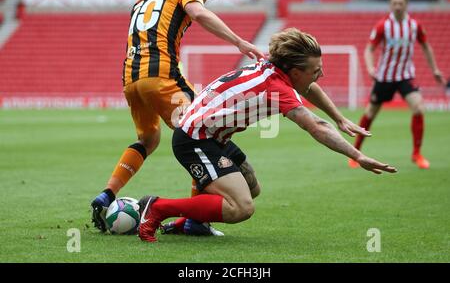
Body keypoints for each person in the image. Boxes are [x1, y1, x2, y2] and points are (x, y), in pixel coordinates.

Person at [137, 28, 397, 243]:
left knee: (252, 186)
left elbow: (310, 87)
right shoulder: (276, 86)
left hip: (214, 136)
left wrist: (339, 118)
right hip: (195, 140)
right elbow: (315, 126)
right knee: (241, 207)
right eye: (316, 70)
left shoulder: (273, 68)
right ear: (295, 73)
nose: (321, 74)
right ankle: (158, 208)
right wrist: (357, 155)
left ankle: (191, 224)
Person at [91, 0, 265, 235]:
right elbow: (199, 14)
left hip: (132, 79)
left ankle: (107, 194)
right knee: (200, 134)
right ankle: (196, 221)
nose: (201, 2)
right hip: (161, 76)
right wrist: (239, 42)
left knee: (148, 140)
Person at [349, 0, 446, 170]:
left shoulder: (414, 26)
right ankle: (356, 152)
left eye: (401, 3)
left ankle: (417, 153)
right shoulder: (383, 25)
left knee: (418, 108)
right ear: (390, 5)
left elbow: (426, 46)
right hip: (384, 77)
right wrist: (370, 67)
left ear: (406, 4)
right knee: (370, 114)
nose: (397, 6)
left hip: (405, 76)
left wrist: (434, 69)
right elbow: (369, 49)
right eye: (394, 3)